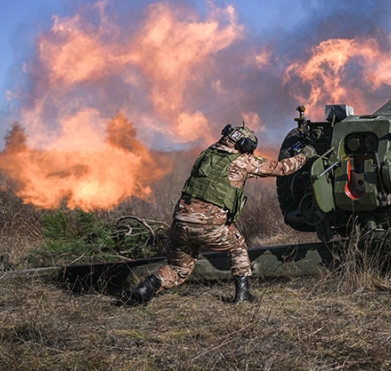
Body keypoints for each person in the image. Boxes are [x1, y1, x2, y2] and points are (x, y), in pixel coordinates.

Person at [130, 124, 315, 304]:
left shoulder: (206, 155)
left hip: (180, 223)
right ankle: (243, 295)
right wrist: (305, 154)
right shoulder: (243, 161)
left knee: (178, 269)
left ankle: (145, 288)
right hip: (209, 226)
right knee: (238, 245)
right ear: (245, 146)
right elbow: (283, 168)